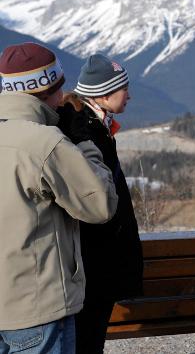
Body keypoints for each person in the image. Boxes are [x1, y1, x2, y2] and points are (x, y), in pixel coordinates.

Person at [0, 43, 118, 353]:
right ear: (50, 89)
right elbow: (100, 205)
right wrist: (82, 142)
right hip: (38, 307)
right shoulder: (46, 143)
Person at [57, 54, 143, 354]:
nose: (129, 95)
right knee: (88, 339)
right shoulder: (86, 131)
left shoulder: (92, 125)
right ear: (104, 94)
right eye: (124, 89)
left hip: (97, 263)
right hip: (95, 265)